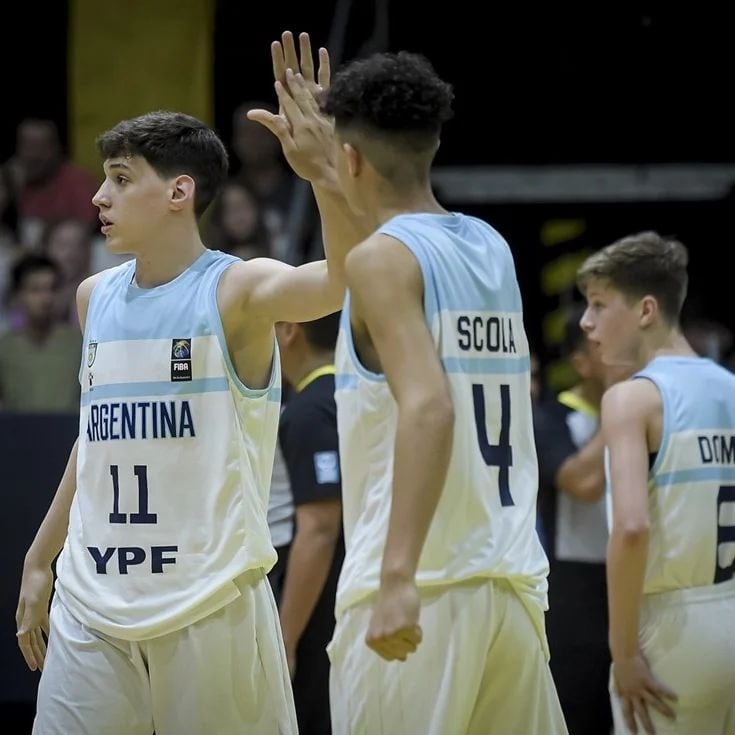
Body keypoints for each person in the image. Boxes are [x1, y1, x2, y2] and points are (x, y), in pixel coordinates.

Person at [249, 32, 567, 734]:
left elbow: (428, 406)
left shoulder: (383, 263)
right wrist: (323, 174)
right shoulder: (487, 244)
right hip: (508, 583)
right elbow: (377, 251)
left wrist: (396, 576)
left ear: (353, 156)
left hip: (416, 587)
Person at [15, 102, 364, 734]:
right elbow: (94, 443)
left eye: (120, 179)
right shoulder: (94, 297)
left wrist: (323, 175)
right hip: (93, 599)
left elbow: (342, 281)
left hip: (207, 600)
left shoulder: (236, 290)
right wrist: (41, 558)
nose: (98, 196)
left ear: (179, 191)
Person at [577, 231, 735, 735]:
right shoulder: (730, 388)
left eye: (600, 305)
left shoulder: (633, 399)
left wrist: (623, 652)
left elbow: (631, 528)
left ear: (646, 310)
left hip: (672, 630)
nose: (586, 322)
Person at [534, 303, 616, 734]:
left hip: (637, 587)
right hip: (573, 600)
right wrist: (621, 406)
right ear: (580, 361)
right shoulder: (549, 416)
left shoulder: (651, 411)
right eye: (605, 345)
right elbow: (582, 482)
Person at [276, 312, 344, 735]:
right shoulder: (361, 393)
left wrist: (285, 637)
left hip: (326, 609)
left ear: (288, 330)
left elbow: (319, 527)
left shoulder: (308, 410)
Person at [0, 253, 81, 413]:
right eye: (35, 290)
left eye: (52, 289)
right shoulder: (4, 348)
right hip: (15, 434)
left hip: (69, 433)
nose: (46, 298)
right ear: (18, 295)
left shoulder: (80, 344)